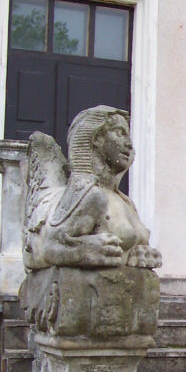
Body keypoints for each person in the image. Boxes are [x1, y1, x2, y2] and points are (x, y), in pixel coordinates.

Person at [25, 105, 161, 270]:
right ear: (96, 138)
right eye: (119, 133)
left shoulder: (126, 202)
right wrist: (84, 251)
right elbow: (48, 248)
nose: (129, 144)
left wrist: (138, 253)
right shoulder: (91, 194)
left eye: (128, 136)